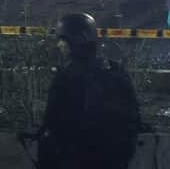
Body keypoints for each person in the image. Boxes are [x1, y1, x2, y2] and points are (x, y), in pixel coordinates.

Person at [33, 13, 140, 169]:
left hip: (76, 159)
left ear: (73, 42)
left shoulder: (66, 77)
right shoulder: (115, 70)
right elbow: (134, 117)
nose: (59, 45)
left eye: (62, 40)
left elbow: (52, 122)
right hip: (113, 159)